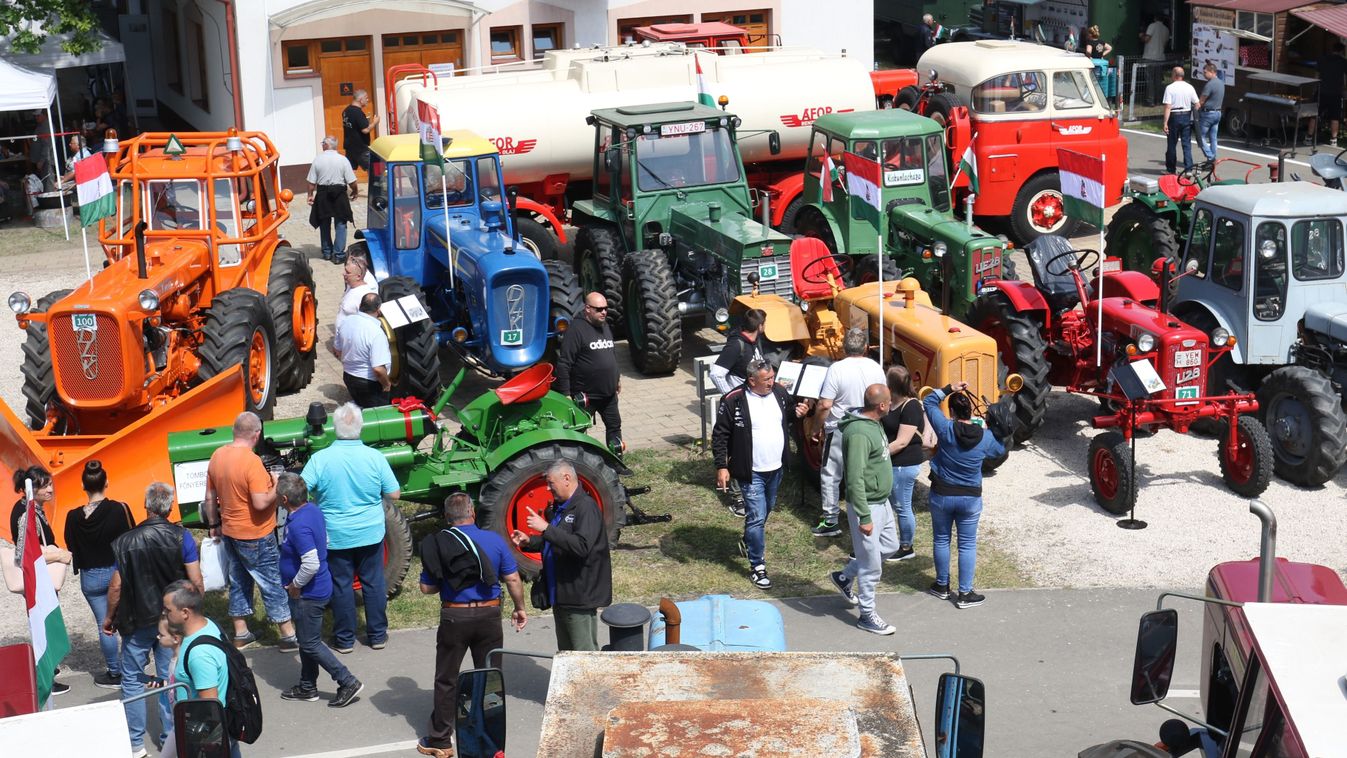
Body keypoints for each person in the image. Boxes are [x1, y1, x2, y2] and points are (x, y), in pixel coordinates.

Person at [416, 493, 527, 758]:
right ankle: (489, 738)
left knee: (446, 678)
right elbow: (512, 578)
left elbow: (426, 588)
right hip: (489, 616)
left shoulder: (440, 543)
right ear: (473, 512)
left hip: (455, 617)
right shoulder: (495, 540)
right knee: (489, 677)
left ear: (447, 517)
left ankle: (441, 741)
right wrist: (520, 608)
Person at [104, 483, 203, 758]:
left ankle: (136, 745)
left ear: (146, 506)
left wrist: (109, 618)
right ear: (170, 507)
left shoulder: (125, 541)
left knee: (133, 680)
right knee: (169, 678)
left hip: (136, 620)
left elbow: (115, 586)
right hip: (171, 619)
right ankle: (171, 737)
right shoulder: (181, 537)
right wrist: (195, 614)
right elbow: (195, 580)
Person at [301, 403, 401, 653]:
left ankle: (345, 639)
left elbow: (300, 491)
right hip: (370, 532)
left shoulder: (320, 459)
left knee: (342, 585)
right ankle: (377, 635)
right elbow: (395, 493)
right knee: (374, 582)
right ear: (360, 427)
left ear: (334, 428)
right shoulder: (374, 457)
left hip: (336, 535)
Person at [202, 411, 298, 651]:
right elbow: (260, 502)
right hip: (256, 533)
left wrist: (214, 525)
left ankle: (241, 632)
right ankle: (287, 634)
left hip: (230, 531)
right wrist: (276, 484)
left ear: (234, 431)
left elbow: (210, 496)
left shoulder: (217, 456)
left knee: (239, 580)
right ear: (256, 435)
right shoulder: (251, 462)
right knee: (271, 582)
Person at [712, 359, 809, 589]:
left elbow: (788, 416)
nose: (771, 382)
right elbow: (720, 434)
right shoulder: (734, 400)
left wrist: (799, 413)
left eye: (772, 377)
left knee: (765, 510)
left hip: (775, 468)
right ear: (751, 380)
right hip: (750, 470)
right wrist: (721, 466)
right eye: (767, 379)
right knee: (756, 516)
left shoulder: (780, 392)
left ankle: (748, 540)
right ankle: (758, 566)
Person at [275, 473, 365, 707]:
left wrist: (296, 585)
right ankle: (307, 686)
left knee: (310, 643)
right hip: (318, 587)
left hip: (308, 593)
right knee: (307, 639)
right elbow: (323, 540)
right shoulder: (312, 510)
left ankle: (347, 681)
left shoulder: (298, 526)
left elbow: (311, 562)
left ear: (284, 499)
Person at [510, 461, 611, 651]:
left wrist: (546, 528)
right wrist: (529, 541)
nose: (548, 488)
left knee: (583, 657)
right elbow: (559, 541)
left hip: (578, 598)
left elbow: (581, 546)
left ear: (566, 478)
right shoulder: (561, 507)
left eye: (550, 483)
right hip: (562, 595)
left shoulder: (585, 508)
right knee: (566, 655)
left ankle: (588, 683)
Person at [923, 383, 1007, 609]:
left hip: (942, 494)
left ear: (951, 412)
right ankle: (964, 593)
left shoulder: (945, 429)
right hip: (970, 498)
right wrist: (993, 424)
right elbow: (1001, 451)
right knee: (967, 544)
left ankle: (941, 586)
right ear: (970, 410)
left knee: (941, 539)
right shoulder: (985, 437)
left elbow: (929, 401)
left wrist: (950, 388)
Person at [828, 385, 899, 635]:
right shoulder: (858, 433)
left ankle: (845, 577)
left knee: (890, 547)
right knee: (871, 565)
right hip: (867, 505)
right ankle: (867, 615)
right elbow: (855, 477)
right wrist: (864, 516)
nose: (891, 405)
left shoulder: (874, 423)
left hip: (882, 501)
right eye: (889, 402)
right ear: (881, 406)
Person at [63, 460, 136, 689]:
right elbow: (130, 537)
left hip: (90, 577)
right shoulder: (118, 509)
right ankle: (130, 667)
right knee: (124, 621)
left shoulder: (73, 516)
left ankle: (114, 671)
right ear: (107, 483)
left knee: (103, 625)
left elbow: (70, 543)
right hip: (117, 572)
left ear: (83, 487)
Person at [806, 327, 884, 537]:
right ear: (866, 347)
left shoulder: (836, 369)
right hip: (868, 426)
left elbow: (824, 405)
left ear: (843, 347)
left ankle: (831, 519)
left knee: (831, 474)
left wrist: (815, 428)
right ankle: (867, 514)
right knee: (863, 473)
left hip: (840, 427)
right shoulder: (876, 367)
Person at [161, 580, 243, 758]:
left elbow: (209, 706)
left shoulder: (200, 654)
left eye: (168, 610)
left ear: (185, 612)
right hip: (213, 728)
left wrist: (202, 747)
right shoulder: (209, 625)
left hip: (205, 736)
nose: (165, 614)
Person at [10, 466, 72, 695]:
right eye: (44, 485)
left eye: (49, 483)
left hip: (39, 579)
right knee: (43, 625)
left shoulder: (31, 509)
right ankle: (46, 679)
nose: (50, 489)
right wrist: (59, 554)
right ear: (32, 488)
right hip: (38, 580)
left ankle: (49, 674)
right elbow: (23, 553)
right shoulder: (27, 514)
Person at [554, 291, 623, 455]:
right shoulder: (576, 330)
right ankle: (576, 464)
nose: (604, 312)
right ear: (587, 308)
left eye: (606, 308)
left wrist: (617, 378)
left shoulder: (604, 326)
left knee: (614, 426)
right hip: (586, 396)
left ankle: (618, 462)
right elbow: (564, 363)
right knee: (577, 431)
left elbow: (611, 354)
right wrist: (565, 393)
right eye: (599, 309)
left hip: (608, 393)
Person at [880, 366, 924, 563]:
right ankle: (888, 542)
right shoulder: (891, 403)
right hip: (891, 463)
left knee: (902, 505)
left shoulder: (911, 406)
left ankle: (906, 546)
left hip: (903, 465)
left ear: (892, 385)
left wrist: (875, 455)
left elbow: (902, 442)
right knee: (889, 504)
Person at [333, 292, 393, 408]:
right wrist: (386, 384)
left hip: (348, 377)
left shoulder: (345, 321)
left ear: (360, 305)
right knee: (377, 418)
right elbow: (378, 369)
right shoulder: (376, 333)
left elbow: (337, 349)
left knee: (361, 409)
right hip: (369, 384)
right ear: (378, 309)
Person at [307, 136, 358, 262]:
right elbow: (352, 181)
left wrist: (310, 195)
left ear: (325, 145)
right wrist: (355, 191)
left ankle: (327, 252)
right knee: (341, 224)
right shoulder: (343, 160)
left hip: (323, 193)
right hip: (339, 193)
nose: (321, 145)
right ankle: (338, 255)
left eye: (322, 143)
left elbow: (311, 182)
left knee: (324, 223)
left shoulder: (317, 160)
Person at [709, 308, 767, 394]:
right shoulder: (735, 345)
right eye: (765, 323)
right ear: (760, 326)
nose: (766, 326)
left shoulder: (755, 340)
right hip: (741, 401)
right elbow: (715, 374)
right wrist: (730, 397)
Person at [1162, 67, 1199, 174]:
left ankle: (1171, 169)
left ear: (1174, 75)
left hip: (1174, 116)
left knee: (1172, 144)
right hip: (1186, 115)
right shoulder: (1189, 87)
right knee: (1186, 144)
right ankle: (1188, 168)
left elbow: (1168, 107)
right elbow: (1197, 104)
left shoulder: (1170, 88)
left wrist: (1165, 122)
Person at [335, 256, 378, 333]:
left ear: (358, 276)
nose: (343, 274)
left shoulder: (365, 295)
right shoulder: (350, 286)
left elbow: (368, 324)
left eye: (348, 272)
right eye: (345, 270)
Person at [1315, 43, 1347, 147]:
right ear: (1342, 51)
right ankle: (1333, 140)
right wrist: (1344, 90)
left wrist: (1315, 87)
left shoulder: (1322, 59)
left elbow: (1316, 75)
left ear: (1332, 49)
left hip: (1321, 91)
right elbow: (1345, 78)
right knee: (1335, 117)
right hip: (1336, 93)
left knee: (1314, 114)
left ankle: (1308, 137)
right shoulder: (1344, 62)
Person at [342, 89, 379, 171]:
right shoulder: (357, 112)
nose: (367, 100)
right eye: (366, 98)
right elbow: (365, 130)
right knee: (375, 171)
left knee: (350, 173)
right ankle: (376, 184)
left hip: (350, 149)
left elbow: (354, 126)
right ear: (360, 99)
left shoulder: (346, 111)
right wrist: (375, 122)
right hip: (361, 149)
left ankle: (349, 184)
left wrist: (366, 121)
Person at [1196, 63, 1225, 162]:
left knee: (1200, 136)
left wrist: (1196, 107)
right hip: (1218, 113)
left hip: (1208, 114)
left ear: (1212, 72)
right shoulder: (1221, 83)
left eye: (1205, 72)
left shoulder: (1209, 84)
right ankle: (1212, 158)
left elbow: (1201, 100)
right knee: (1213, 137)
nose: (1204, 74)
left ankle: (1210, 157)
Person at [1141, 15, 1171, 105]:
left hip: (1150, 57)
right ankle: (1158, 100)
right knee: (1158, 80)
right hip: (1160, 57)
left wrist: (1141, 35)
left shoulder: (1152, 26)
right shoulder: (1166, 29)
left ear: (1155, 18)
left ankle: (1150, 100)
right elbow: (1165, 44)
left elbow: (1147, 39)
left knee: (1149, 80)